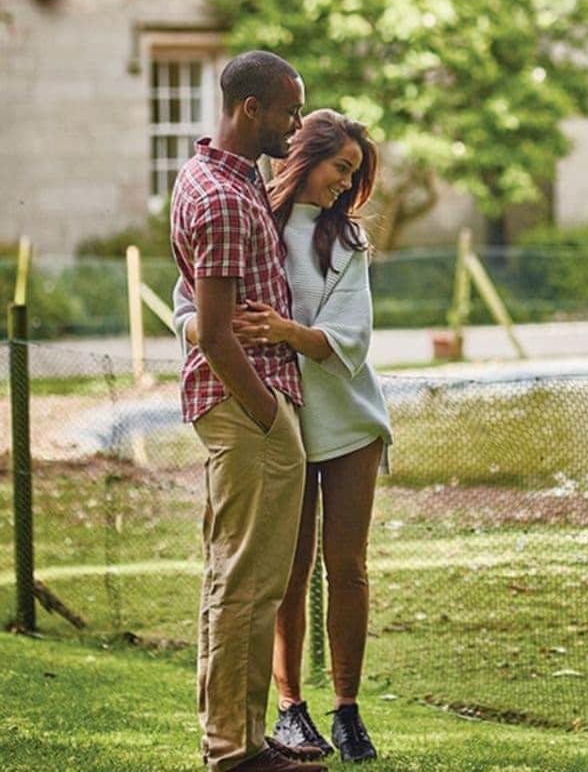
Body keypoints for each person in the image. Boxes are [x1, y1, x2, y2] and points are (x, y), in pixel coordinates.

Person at [176, 108, 393, 763]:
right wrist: (215, 336)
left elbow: (349, 338)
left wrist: (281, 331)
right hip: (283, 420)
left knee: (346, 567)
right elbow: (189, 308)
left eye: (354, 176)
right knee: (284, 571)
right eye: (340, 168)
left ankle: (348, 709)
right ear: (306, 156)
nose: (345, 185)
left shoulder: (346, 242)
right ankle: (292, 708)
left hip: (349, 421)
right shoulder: (244, 216)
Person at [170, 50, 327, 772]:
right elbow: (216, 327)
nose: (297, 125)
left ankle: (237, 738)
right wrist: (268, 414)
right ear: (250, 108)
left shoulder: (218, 178)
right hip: (247, 409)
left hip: (249, 407)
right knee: (247, 580)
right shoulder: (227, 199)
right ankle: (234, 751)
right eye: (290, 110)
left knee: (237, 575)